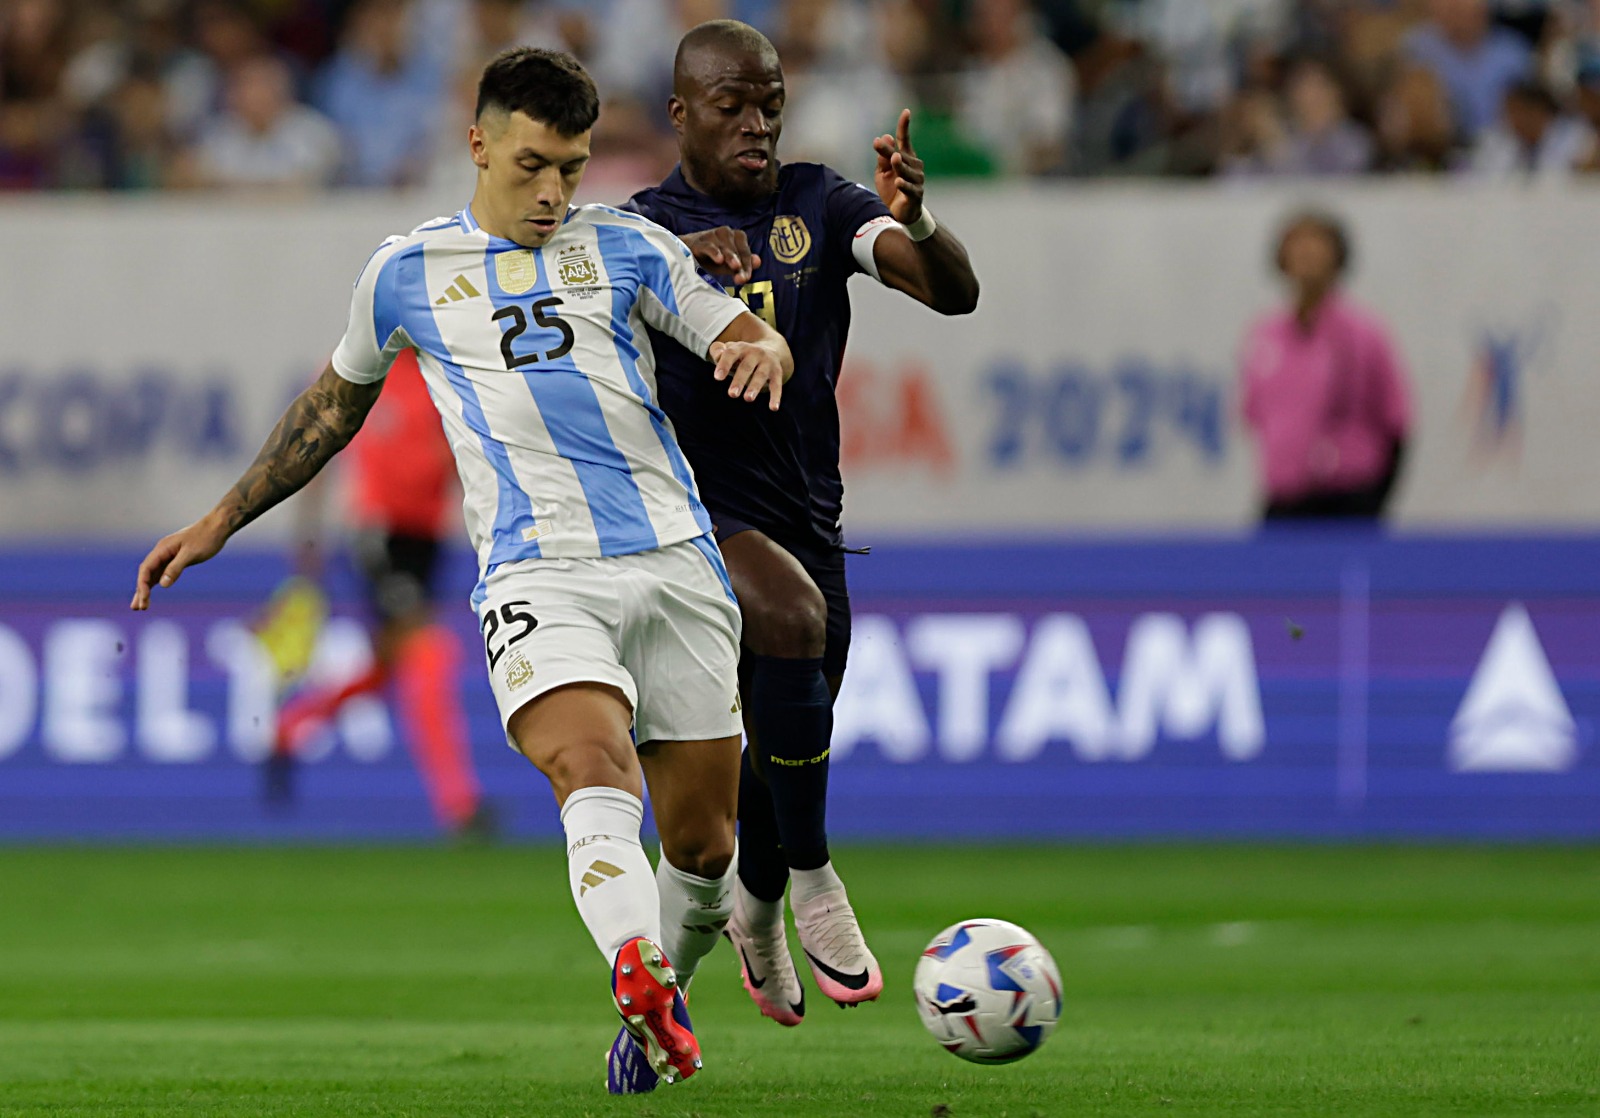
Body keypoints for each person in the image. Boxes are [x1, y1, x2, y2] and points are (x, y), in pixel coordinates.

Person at [132, 46, 793, 1094]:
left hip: (676, 564)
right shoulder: (406, 272)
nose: (552, 192)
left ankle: (654, 995)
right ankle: (633, 960)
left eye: (571, 168)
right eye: (532, 165)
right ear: (478, 144)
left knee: (707, 847)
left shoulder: (628, 246)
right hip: (539, 572)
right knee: (591, 766)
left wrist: (762, 348)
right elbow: (329, 409)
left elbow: (738, 326)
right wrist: (222, 518)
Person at [624, 17, 978, 1047]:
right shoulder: (641, 228)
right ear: (681, 113)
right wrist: (677, 259)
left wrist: (920, 221)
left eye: (769, 104)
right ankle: (816, 877)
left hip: (809, 515)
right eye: (731, 104)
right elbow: (583, 288)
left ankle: (758, 904)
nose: (756, 123)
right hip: (691, 517)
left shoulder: (821, 202)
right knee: (787, 619)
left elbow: (950, 292)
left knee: (788, 735)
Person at [264, 348, 494, 841]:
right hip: (378, 532)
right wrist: (308, 537)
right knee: (427, 649)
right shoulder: (362, 360)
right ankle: (459, 804)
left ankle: (288, 728)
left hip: (428, 539)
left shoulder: (443, 363)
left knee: (387, 666)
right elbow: (313, 446)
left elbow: (465, 455)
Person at [1240, 211, 1411, 520]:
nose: (1306, 254)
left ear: (1337, 257)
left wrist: (1376, 498)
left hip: (1349, 496)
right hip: (1285, 495)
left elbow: (1395, 421)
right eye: (1297, 244)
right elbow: (1254, 413)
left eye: (1317, 244)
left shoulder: (1364, 333)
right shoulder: (1265, 336)